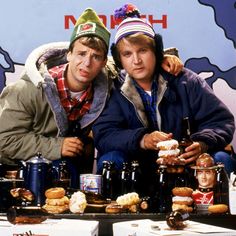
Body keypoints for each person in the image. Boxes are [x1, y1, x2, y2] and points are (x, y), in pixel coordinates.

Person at [0, 8, 182, 187]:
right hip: (28, 170)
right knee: (59, 169)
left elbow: (133, 58)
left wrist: (164, 58)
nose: (87, 63)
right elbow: (4, 140)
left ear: (104, 62)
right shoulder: (27, 90)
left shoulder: (108, 78)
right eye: (81, 54)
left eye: (96, 56)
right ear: (68, 54)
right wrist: (56, 146)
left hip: (76, 169)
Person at [92, 4, 235, 196]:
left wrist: (201, 143)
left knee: (220, 158)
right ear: (119, 60)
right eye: (127, 54)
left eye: (142, 50)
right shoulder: (115, 89)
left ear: (156, 52)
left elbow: (221, 121)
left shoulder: (186, 81)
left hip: (184, 167)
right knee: (110, 159)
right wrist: (142, 139)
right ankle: (120, 213)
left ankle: (216, 219)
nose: (136, 60)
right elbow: (105, 134)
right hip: (138, 171)